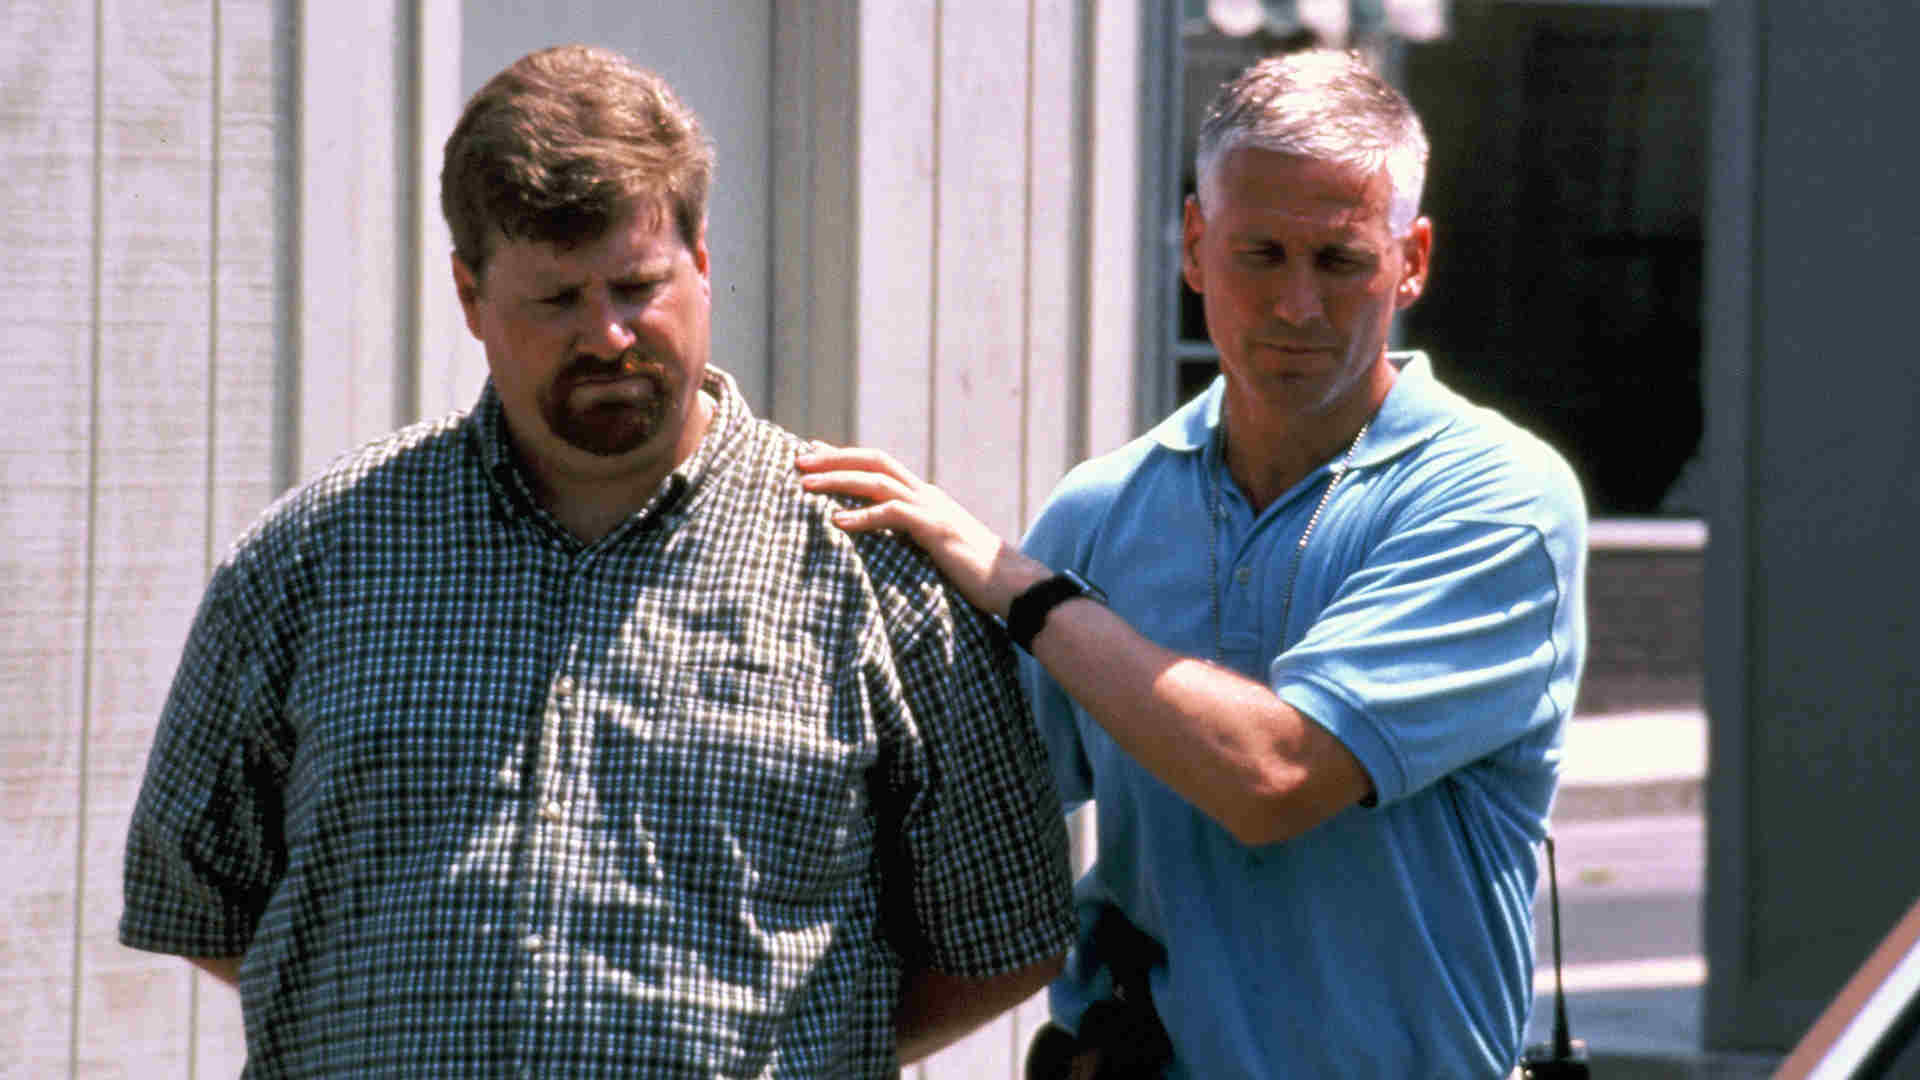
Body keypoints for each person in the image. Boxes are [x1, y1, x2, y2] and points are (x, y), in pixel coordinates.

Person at [118, 44, 1075, 1078]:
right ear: (470, 294)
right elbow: (198, 890)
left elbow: (1001, 937)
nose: (609, 335)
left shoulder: (872, 571)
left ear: (701, 263)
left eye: (638, 285)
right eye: (557, 298)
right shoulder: (316, 557)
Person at [796, 48, 1588, 1077]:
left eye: (1339, 260)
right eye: (1261, 254)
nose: (1297, 305)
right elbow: (954, 842)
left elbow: (1275, 777)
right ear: (1196, 246)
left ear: (1413, 260)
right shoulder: (1107, 510)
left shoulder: (1498, 501)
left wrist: (1023, 587)